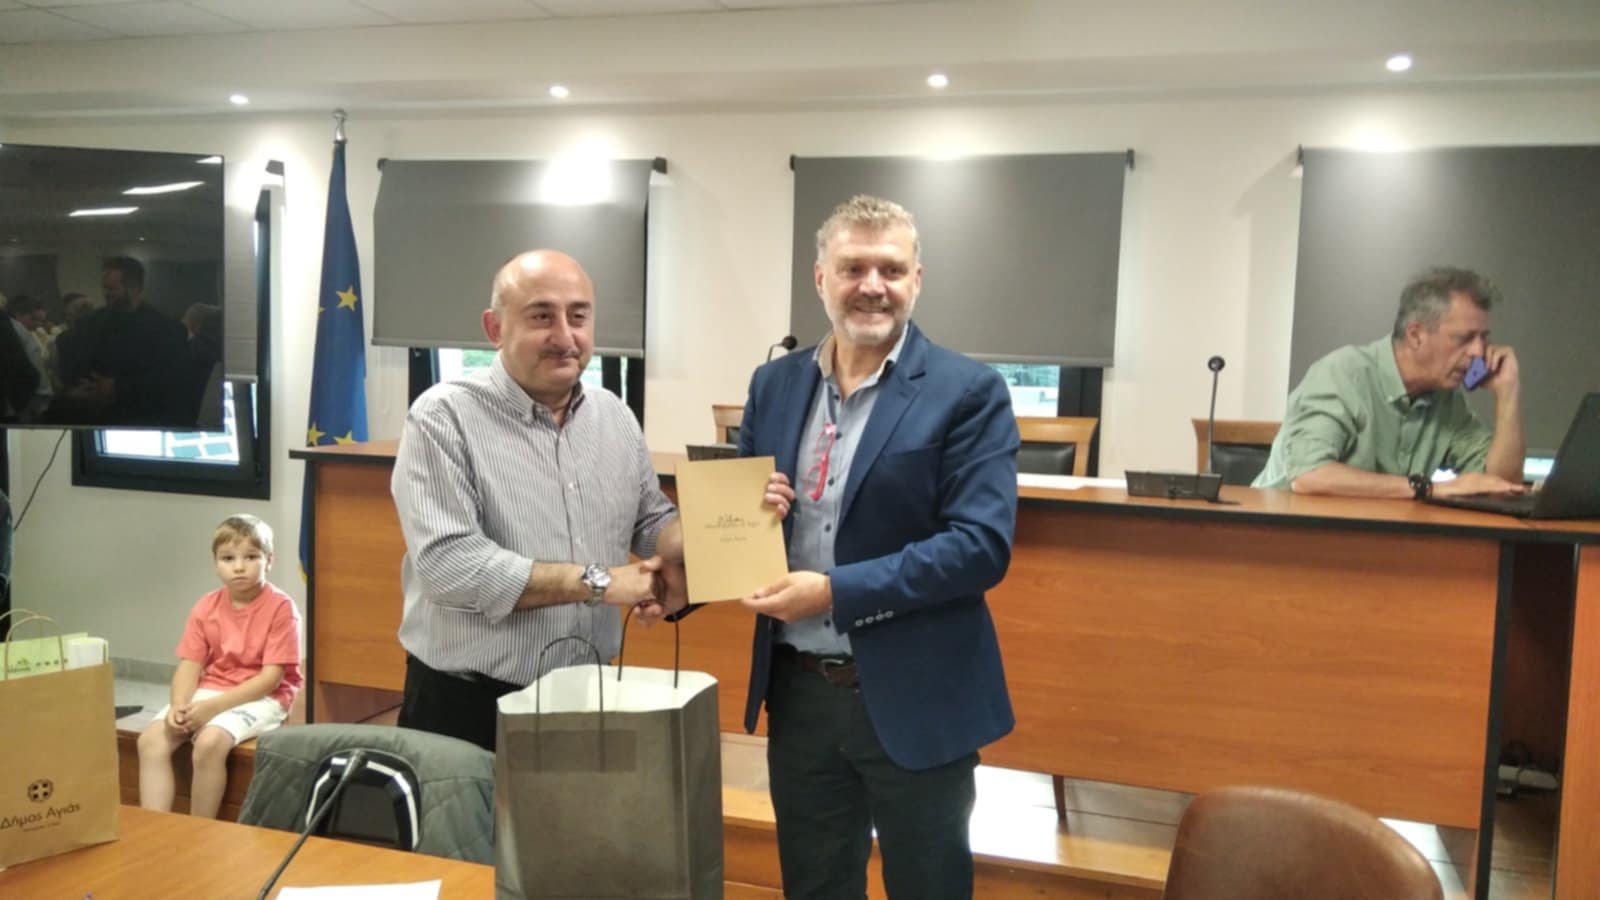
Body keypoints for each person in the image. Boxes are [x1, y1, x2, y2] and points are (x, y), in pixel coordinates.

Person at [653, 196, 1020, 898]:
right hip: (801, 696)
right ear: (821, 278)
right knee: (815, 886)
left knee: (930, 888)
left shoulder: (968, 392)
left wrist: (833, 592)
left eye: (891, 269)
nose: (872, 286)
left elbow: (979, 547)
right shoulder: (774, 384)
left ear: (917, 280)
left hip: (918, 697)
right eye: (853, 268)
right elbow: (749, 528)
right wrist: (686, 584)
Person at [391, 249, 682, 753]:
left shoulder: (615, 416)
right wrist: (601, 583)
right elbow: (449, 566)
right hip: (468, 705)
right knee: (469, 813)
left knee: (580, 812)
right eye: (542, 316)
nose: (565, 337)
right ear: (494, 327)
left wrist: (723, 530)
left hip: (587, 695)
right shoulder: (442, 417)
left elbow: (652, 522)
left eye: (579, 316)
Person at [1254, 266, 1526, 499]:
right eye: (1464, 338)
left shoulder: (1448, 402)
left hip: (1370, 538)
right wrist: (1429, 489)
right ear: (1416, 335)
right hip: (1275, 534)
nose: (1478, 352)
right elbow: (1309, 476)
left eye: (1483, 338)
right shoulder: (1342, 375)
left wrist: (1508, 393)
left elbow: (1500, 486)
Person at [137, 514, 303, 819]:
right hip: (213, 688)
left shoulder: (282, 608)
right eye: (228, 558)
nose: (239, 567)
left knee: (209, 742)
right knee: (150, 741)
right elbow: (190, 665)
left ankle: (200, 830)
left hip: (265, 696)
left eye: (251, 557)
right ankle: (154, 826)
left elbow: (270, 679)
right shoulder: (206, 606)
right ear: (216, 563)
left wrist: (211, 709)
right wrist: (179, 704)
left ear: (269, 560)